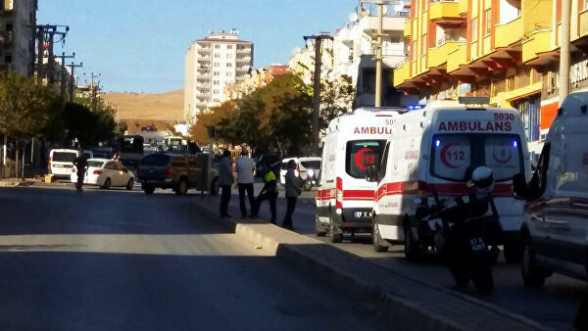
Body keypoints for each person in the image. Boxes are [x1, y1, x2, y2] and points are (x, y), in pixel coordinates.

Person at [236, 150, 256, 218]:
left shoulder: (238, 161)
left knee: (242, 198)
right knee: (251, 198)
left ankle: (243, 213)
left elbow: (237, 169)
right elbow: (253, 168)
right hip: (249, 181)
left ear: (241, 154)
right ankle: (253, 212)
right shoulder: (251, 160)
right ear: (247, 154)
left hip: (241, 181)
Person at [283, 160, 301, 230]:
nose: (296, 166)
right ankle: (288, 224)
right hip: (292, 194)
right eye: (295, 164)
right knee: (290, 210)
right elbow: (294, 183)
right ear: (291, 165)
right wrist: (299, 190)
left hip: (291, 193)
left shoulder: (290, 172)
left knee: (289, 210)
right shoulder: (290, 172)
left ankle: (285, 223)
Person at [218, 150, 234, 218]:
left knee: (224, 197)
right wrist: (232, 178)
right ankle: (224, 212)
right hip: (226, 181)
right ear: (228, 155)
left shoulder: (221, 161)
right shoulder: (227, 161)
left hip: (222, 180)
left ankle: (222, 211)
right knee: (226, 197)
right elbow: (229, 172)